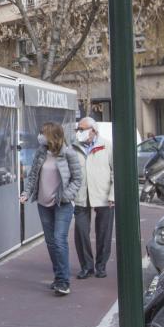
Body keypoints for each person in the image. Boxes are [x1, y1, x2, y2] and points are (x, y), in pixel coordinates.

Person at [20, 122, 82, 296]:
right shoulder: (41, 152)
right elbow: (33, 175)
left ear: (53, 135)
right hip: (43, 203)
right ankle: (58, 276)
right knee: (51, 242)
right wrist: (26, 193)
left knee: (59, 239)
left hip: (62, 204)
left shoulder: (68, 153)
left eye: (43, 133)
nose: (40, 136)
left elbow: (77, 179)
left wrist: (65, 196)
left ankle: (63, 282)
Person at [73, 117, 114, 279]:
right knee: (81, 232)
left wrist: (112, 195)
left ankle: (101, 266)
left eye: (82, 129)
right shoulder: (74, 147)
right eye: (78, 129)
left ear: (93, 130)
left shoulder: (107, 145)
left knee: (104, 232)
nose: (79, 132)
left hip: (104, 195)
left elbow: (115, 171)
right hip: (81, 196)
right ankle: (86, 266)